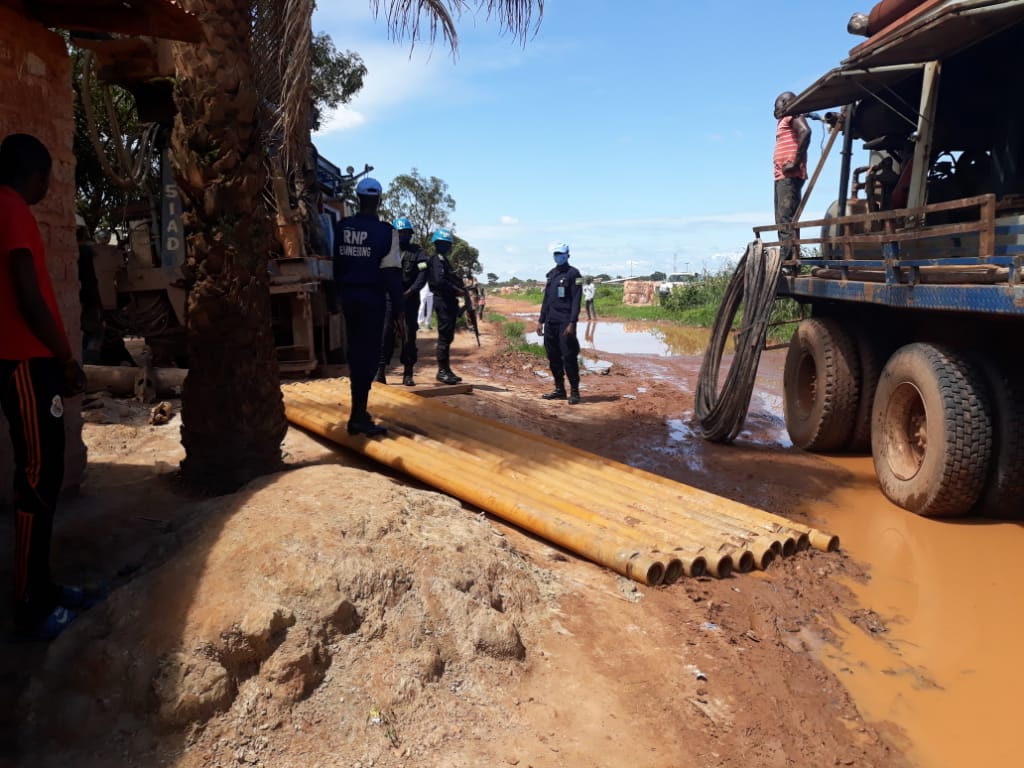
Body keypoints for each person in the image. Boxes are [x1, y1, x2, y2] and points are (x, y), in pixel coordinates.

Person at [0, 133, 89, 640]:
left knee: (45, 473)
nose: (47, 189)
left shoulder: (11, 208)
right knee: (37, 477)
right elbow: (29, 295)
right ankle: (30, 604)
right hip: (27, 363)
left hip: (30, 362)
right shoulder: (12, 208)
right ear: (31, 174)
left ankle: (45, 586)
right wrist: (64, 357)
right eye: (46, 180)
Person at [332, 177, 403, 436]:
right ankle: (358, 414)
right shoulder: (386, 232)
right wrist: (398, 309)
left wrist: (338, 296)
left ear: (358, 198)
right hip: (372, 300)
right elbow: (391, 274)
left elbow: (337, 266)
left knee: (355, 354)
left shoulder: (342, 228)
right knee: (370, 356)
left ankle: (358, 412)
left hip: (349, 299)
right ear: (379, 200)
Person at [377, 217, 429, 386]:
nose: (403, 236)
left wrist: (411, 291)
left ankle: (408, 373)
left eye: (406, 233)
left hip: (410, 298)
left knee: (409, 336)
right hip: (390, 298)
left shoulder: (418, 252)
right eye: (400, 233)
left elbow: (423, 274)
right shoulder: (386, 250)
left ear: (410, 234)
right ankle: (380, 371)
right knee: (385, 333)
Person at [537, 242, 583, 405]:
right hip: (550, 322)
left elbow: (577, 301)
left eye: (561, 254)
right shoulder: (551, 275)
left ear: (568, 255)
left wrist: (572, 323)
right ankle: (559, 390)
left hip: (565, 323)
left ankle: (575, 392)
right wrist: (541, 320)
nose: (558, 256)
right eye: (556, 254)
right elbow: (546, 300)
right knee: (553, 357)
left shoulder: (574, 274)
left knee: (569, 357)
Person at [773, 92, 811, 261]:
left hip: (789, 175)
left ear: (785, 102)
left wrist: (795, 162)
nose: (774, 110)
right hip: (782, 176)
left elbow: (805, 131)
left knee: (786, 217)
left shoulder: (792, 115)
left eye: (776, 105)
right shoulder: (785, 120)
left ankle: (787, 260)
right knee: (782, 217)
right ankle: (788, 256)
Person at [427, 228, 466, 385]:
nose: (447, 247)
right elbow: (439, 281)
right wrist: (457, 291)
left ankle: (446, 369)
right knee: (444, 337)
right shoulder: (436, 260)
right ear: (437, 244)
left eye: (447, 244)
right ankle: (442, 371)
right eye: (444, 244)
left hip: (448, 302)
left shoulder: (443, 260)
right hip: (442, 301)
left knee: (448, 337)